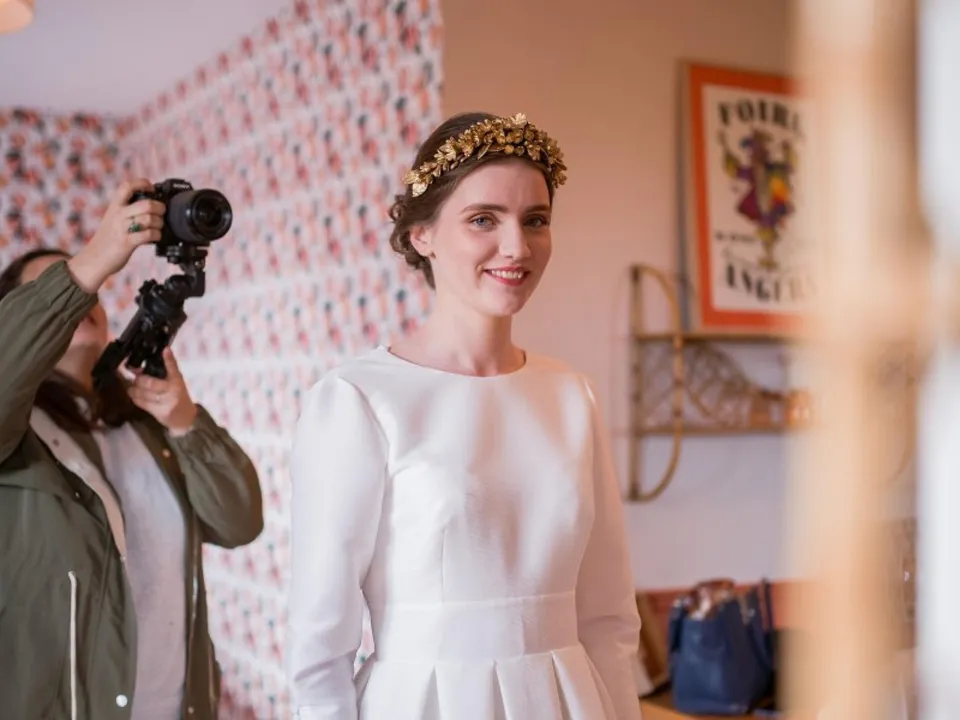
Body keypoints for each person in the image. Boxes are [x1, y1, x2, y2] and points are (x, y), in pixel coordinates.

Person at [288, 112, 641, 720]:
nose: (517, 247)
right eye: (483, 219)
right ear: (422, 234)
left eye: (536, 220)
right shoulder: (357, 399)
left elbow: (608, 620)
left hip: (569, 700)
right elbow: (319, 649)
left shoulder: (571, 397)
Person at [0, 179, 264, 720]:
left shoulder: (144, 424)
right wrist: (94, 258)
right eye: (58, 285)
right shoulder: (17, 437)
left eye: (88, 287)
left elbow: (240, 523)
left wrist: (186, 423)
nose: (83, 295)